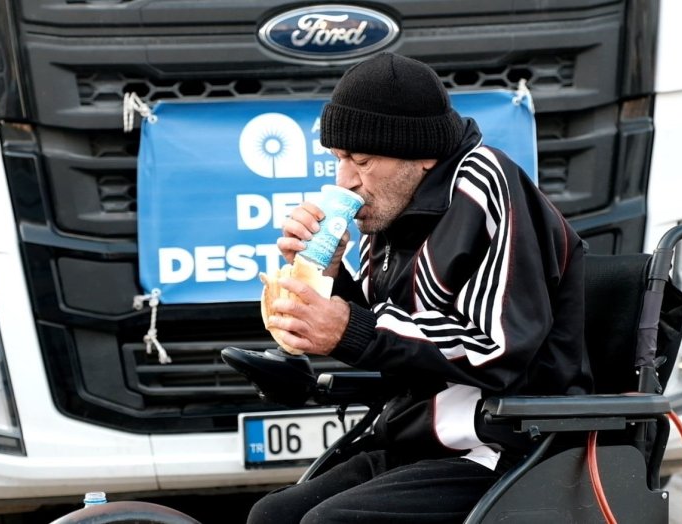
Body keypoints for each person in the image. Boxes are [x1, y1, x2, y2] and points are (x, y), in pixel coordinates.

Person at [247, 52, 593, 524]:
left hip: (506, 445)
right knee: (272, 515)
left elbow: (496, 350)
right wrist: (330, 274)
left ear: (423, 155)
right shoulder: (390, 208)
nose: (346, 181)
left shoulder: (484, 184)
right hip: (417, 437)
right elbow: (392, 336)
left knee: (330, 523)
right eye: (338, 159)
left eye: (363, 161)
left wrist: (352, 331)